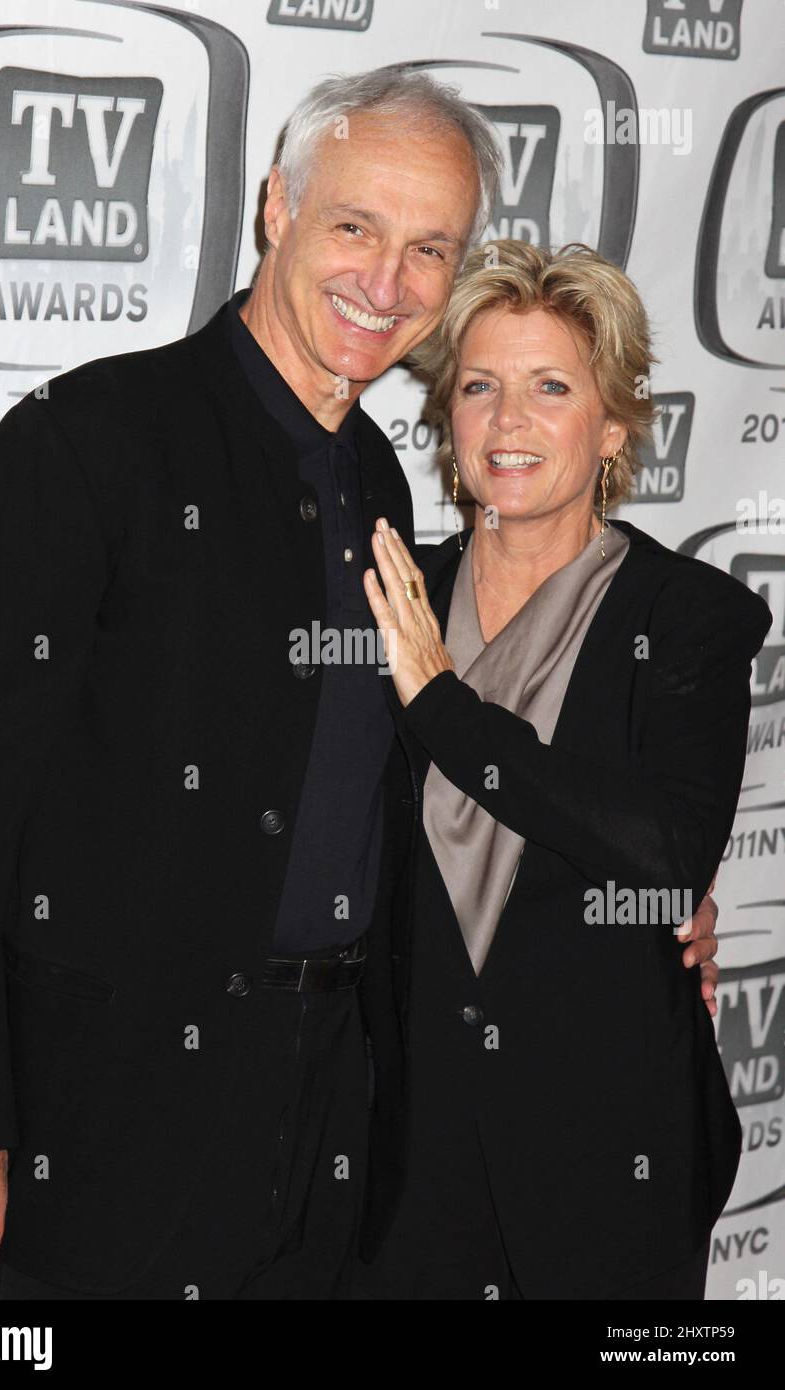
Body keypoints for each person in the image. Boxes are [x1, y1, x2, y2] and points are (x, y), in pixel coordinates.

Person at [0, 72, 718, 1302]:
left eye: (428, 246)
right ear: (276, 206)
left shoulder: (384, 491)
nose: (385, 281)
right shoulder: (89, 441)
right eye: (355, 226)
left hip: (343, 1118)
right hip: (113, 1116)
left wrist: (651, 916)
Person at [356, 240, 770, 1300]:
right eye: (480, 386)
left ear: (614, 427)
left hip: (610, 1184)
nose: (507, 422)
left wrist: (442, 707)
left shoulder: (686, 618)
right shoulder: (387, 596)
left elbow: (667, 852)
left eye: (550, 388)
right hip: (403, 1185)